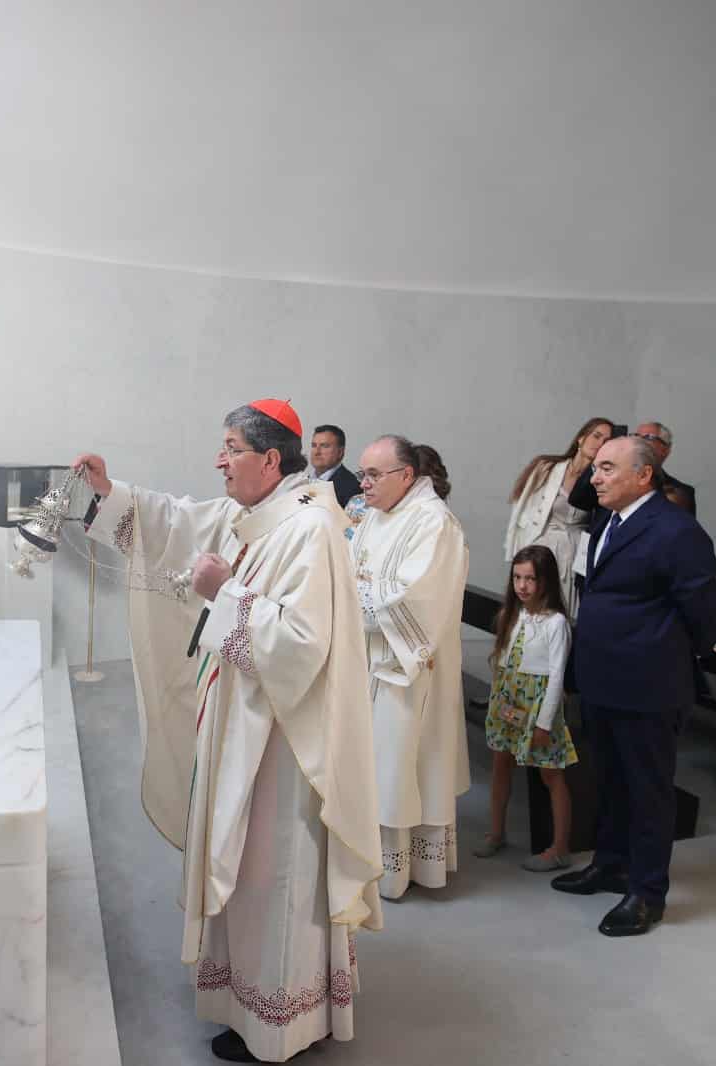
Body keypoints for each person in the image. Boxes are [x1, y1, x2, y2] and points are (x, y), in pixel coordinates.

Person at [73, 398, 383, 1063]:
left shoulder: (310, 529)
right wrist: (111, 492)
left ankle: (282, 1024)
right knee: (249, 876)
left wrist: (226, 594)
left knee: (276, 881)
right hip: (248, 730)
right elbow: (183, 521)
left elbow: (302, 646)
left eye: (231, 447)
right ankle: (253, 1003)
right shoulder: (259, 515)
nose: (218, 459)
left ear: (271, 460)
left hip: (282, 748)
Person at [553, 435, 716, 936]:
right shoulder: (609, 518)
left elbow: (704, 612)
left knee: (648, 790)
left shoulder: (676, 531)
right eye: (596, 467)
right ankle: (610, 864)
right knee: (609, 779)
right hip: (604, 674)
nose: (595, 477)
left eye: (607, 468)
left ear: (644, 476)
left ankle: (647, 892)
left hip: (650, 681)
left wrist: (667, 652)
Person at [347, 436, 470, 900]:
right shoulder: (370, 514)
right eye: (362, 473)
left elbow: (414, 601)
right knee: (369, 765)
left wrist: (343, 601)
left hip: (405, 670)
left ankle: (399, 871)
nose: (364, 484)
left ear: (407, 475)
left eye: (374, 475)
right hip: (363, 662)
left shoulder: (435, 524)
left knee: (400, 766)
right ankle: (361, 859)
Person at [475, 545, 576, 871]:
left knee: (551, 775)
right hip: (508, 701)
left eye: (530, 578)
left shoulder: (555, 623)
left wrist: (544, 723)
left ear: (545, 580)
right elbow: (504, 664)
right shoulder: (511, 615)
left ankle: (560, 848)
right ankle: (496, 833)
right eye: (517, 577)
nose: (522, 585)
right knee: (501, 766)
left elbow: (557, 676)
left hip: (537, 707)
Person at [505, 417, 614, 610]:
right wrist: (516, 553)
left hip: (573, 554)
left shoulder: (603, 480)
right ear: (580, 439)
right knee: (531, 606)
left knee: (563, 611)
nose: (599, 443)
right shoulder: (545, 467)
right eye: (596, 436)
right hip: (540, 547)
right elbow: (520, 511)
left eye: (606, 441)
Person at [310, 424, 363, 507]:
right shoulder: (302, 483)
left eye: (325, 446)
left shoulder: (352, 488)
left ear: (340, 452)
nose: (317, 452)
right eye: (314, 445)